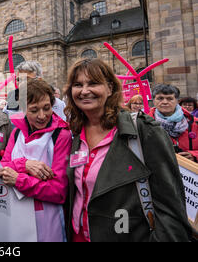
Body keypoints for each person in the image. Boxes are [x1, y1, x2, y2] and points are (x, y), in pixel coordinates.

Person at [64, 58, 191, 242]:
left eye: (93, 83)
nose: (84, 91)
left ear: (110, 88)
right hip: (78, 236)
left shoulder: (143, 130)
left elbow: (171, 206)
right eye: (78, 85)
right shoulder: (76, 132)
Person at [0, 79, 71, 242]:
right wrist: (24, 165)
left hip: (48, 221)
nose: (42, 116)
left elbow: (59, 191)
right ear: (24, 109)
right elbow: (2, 167)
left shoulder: (61, 135)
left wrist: (18, 179)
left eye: (47, 108)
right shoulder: (17, 132)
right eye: (34, 110)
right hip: (18, 216)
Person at [148, 85, 198, 162]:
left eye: (170, 99)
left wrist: (194, 155)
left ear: (177, 101)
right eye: (160, 98)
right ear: (154, 101)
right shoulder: (145, 124)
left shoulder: (195, 124)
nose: (165, 102)